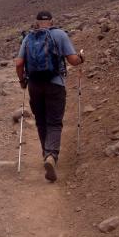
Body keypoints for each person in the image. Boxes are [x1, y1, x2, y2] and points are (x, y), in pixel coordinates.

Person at [15, 11, 84, 182]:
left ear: (37, 22)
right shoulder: (60, 35)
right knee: (54, 121)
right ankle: (51, 155)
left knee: (41, 121)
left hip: (34, 85)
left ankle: (46, 153)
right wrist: (82, 58)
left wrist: (22, 80)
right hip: (55, 84)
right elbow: (73, 60)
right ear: (52, 21)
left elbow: (19, 63)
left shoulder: (28, 37)